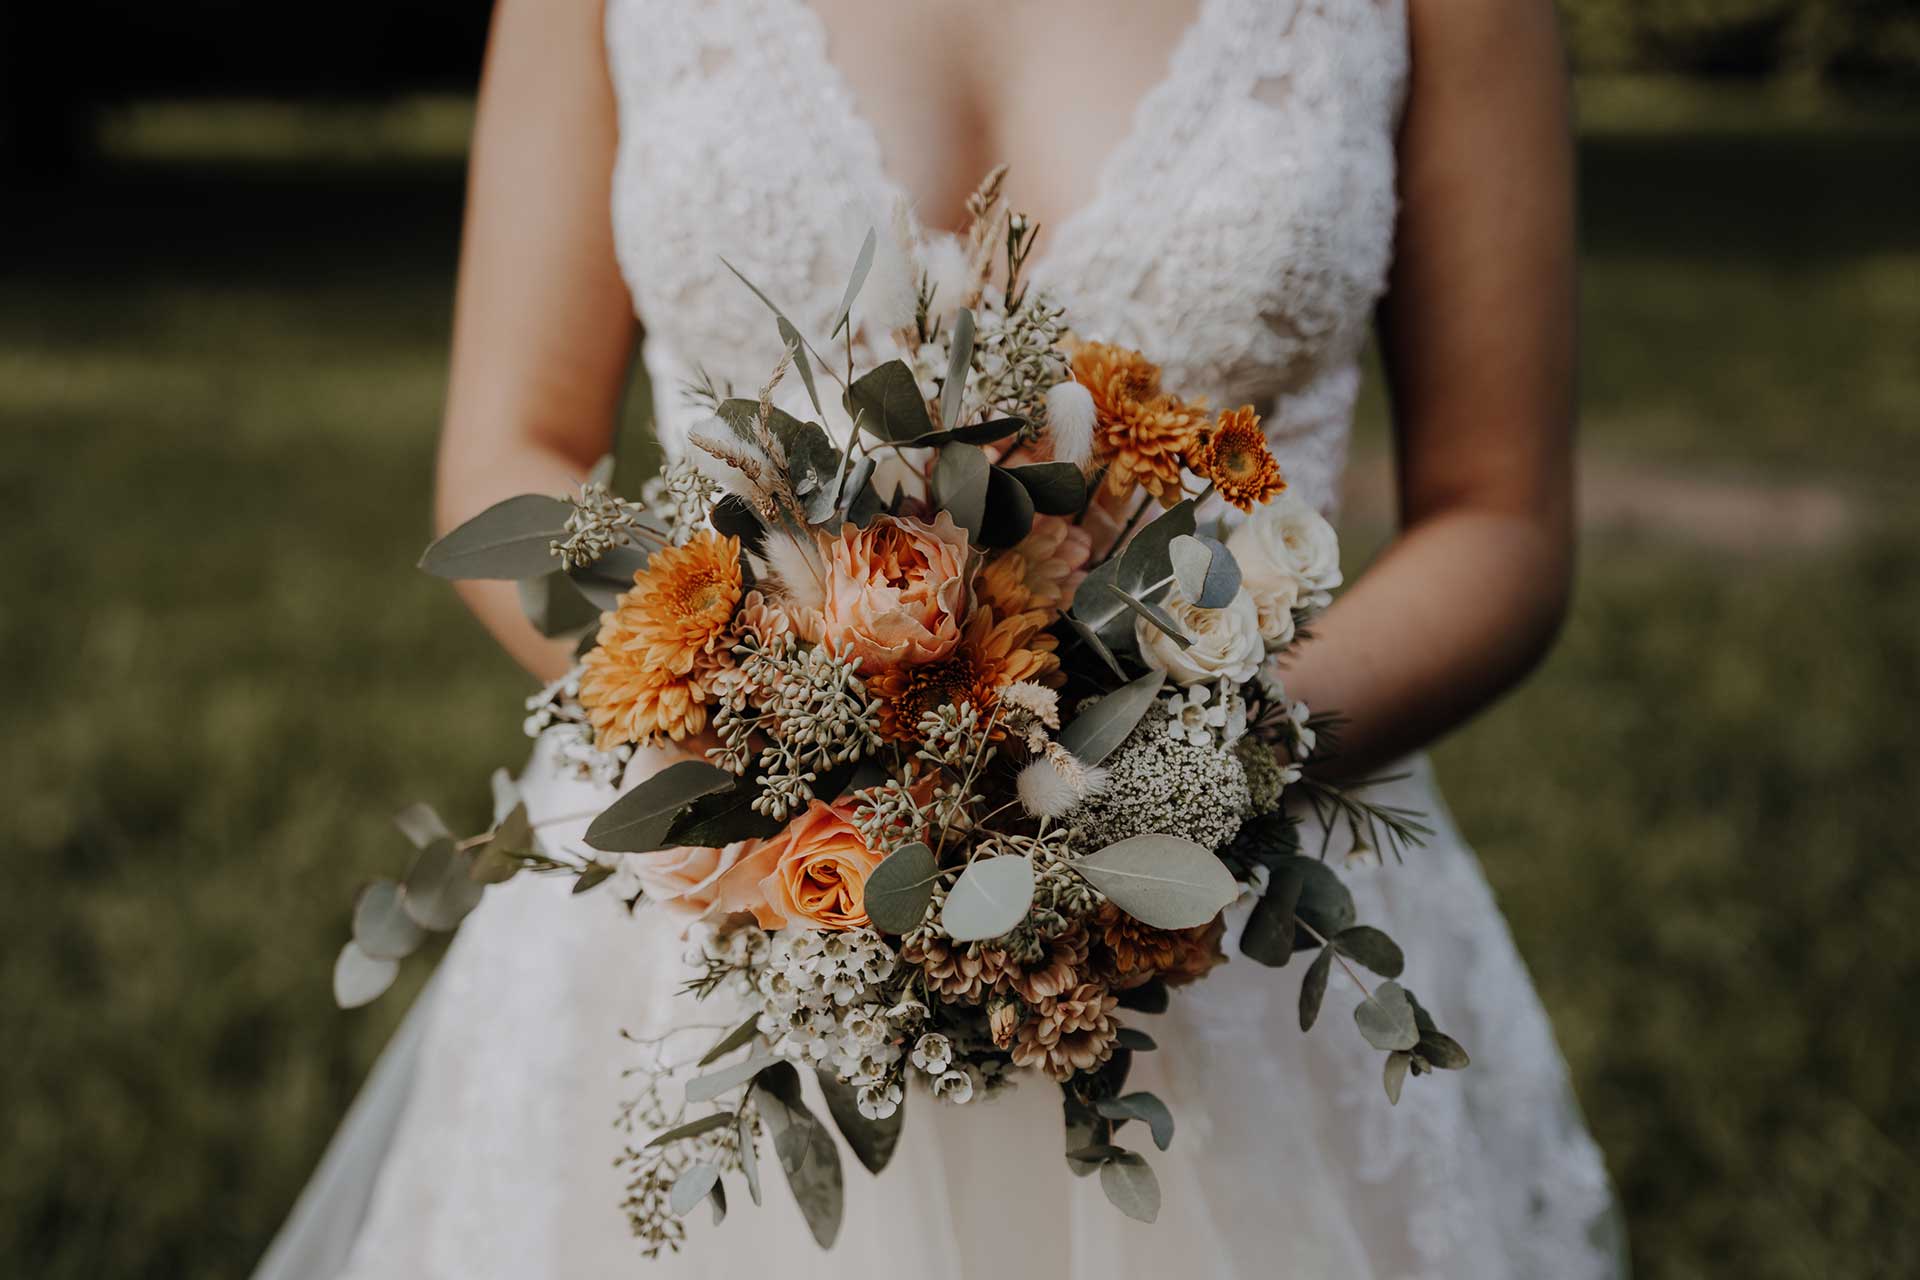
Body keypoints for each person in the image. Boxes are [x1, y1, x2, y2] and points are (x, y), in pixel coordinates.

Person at [258, 1, 1627, 1275]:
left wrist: (1180, 785)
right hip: (725, 898)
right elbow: (516, 446)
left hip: (1243, 922)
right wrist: (768, 736)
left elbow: (1499, 518)